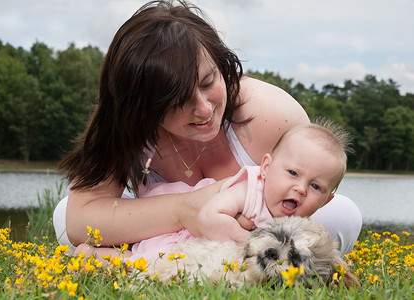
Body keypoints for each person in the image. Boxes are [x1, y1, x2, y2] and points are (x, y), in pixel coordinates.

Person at [53, 0, 362, 258]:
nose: (204, 109)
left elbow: (308, 194)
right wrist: (186, 211)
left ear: (219, 62)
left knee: (342, 216)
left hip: (255, 230)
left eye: (207, 82)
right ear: (140, 104)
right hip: (164, 231)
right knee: (64, 215)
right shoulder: (123, 126)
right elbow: (79, 219)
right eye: (176, 101)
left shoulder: (272, 114)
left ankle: (136, 260)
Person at [75, 119, 352, 263]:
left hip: (216, 248)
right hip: (185, 232)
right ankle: (94, 255)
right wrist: (251, 241)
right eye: (292, 173)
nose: (300, 189)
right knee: (148, 264)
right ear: (266, 167)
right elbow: (208, 218)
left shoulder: (301, 221)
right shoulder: (251, 189)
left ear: (326, 201)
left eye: (315, 187)